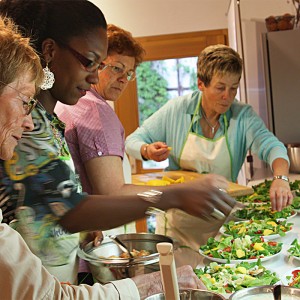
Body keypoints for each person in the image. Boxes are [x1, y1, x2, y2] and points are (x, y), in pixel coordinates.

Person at [0, 0, 237, 283]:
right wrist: (172, 196)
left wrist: (84, 228)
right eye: (89, 62)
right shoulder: (29, 122)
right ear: (50, 50)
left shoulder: (50, 120)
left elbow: (57, 205)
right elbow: (74, 210)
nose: (94, 76)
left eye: (100, 65)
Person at [125, 44, 293, 265]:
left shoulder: (243, 116)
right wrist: (147, 150)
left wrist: (280, 178)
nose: (227, 97)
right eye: (220, 87)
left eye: (234, 88)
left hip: (222, 219)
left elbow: (273, 146)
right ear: (201, 84)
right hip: (178, 222)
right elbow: (131, 141)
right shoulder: (177, 110)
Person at [57, 24, 145, 236]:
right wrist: (174, 196)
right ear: (95, 63)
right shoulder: (96, 111)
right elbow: (112, 193)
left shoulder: (72, 100)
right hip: (87, 239)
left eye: (129, 73)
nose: (124, 79)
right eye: (117, 68)